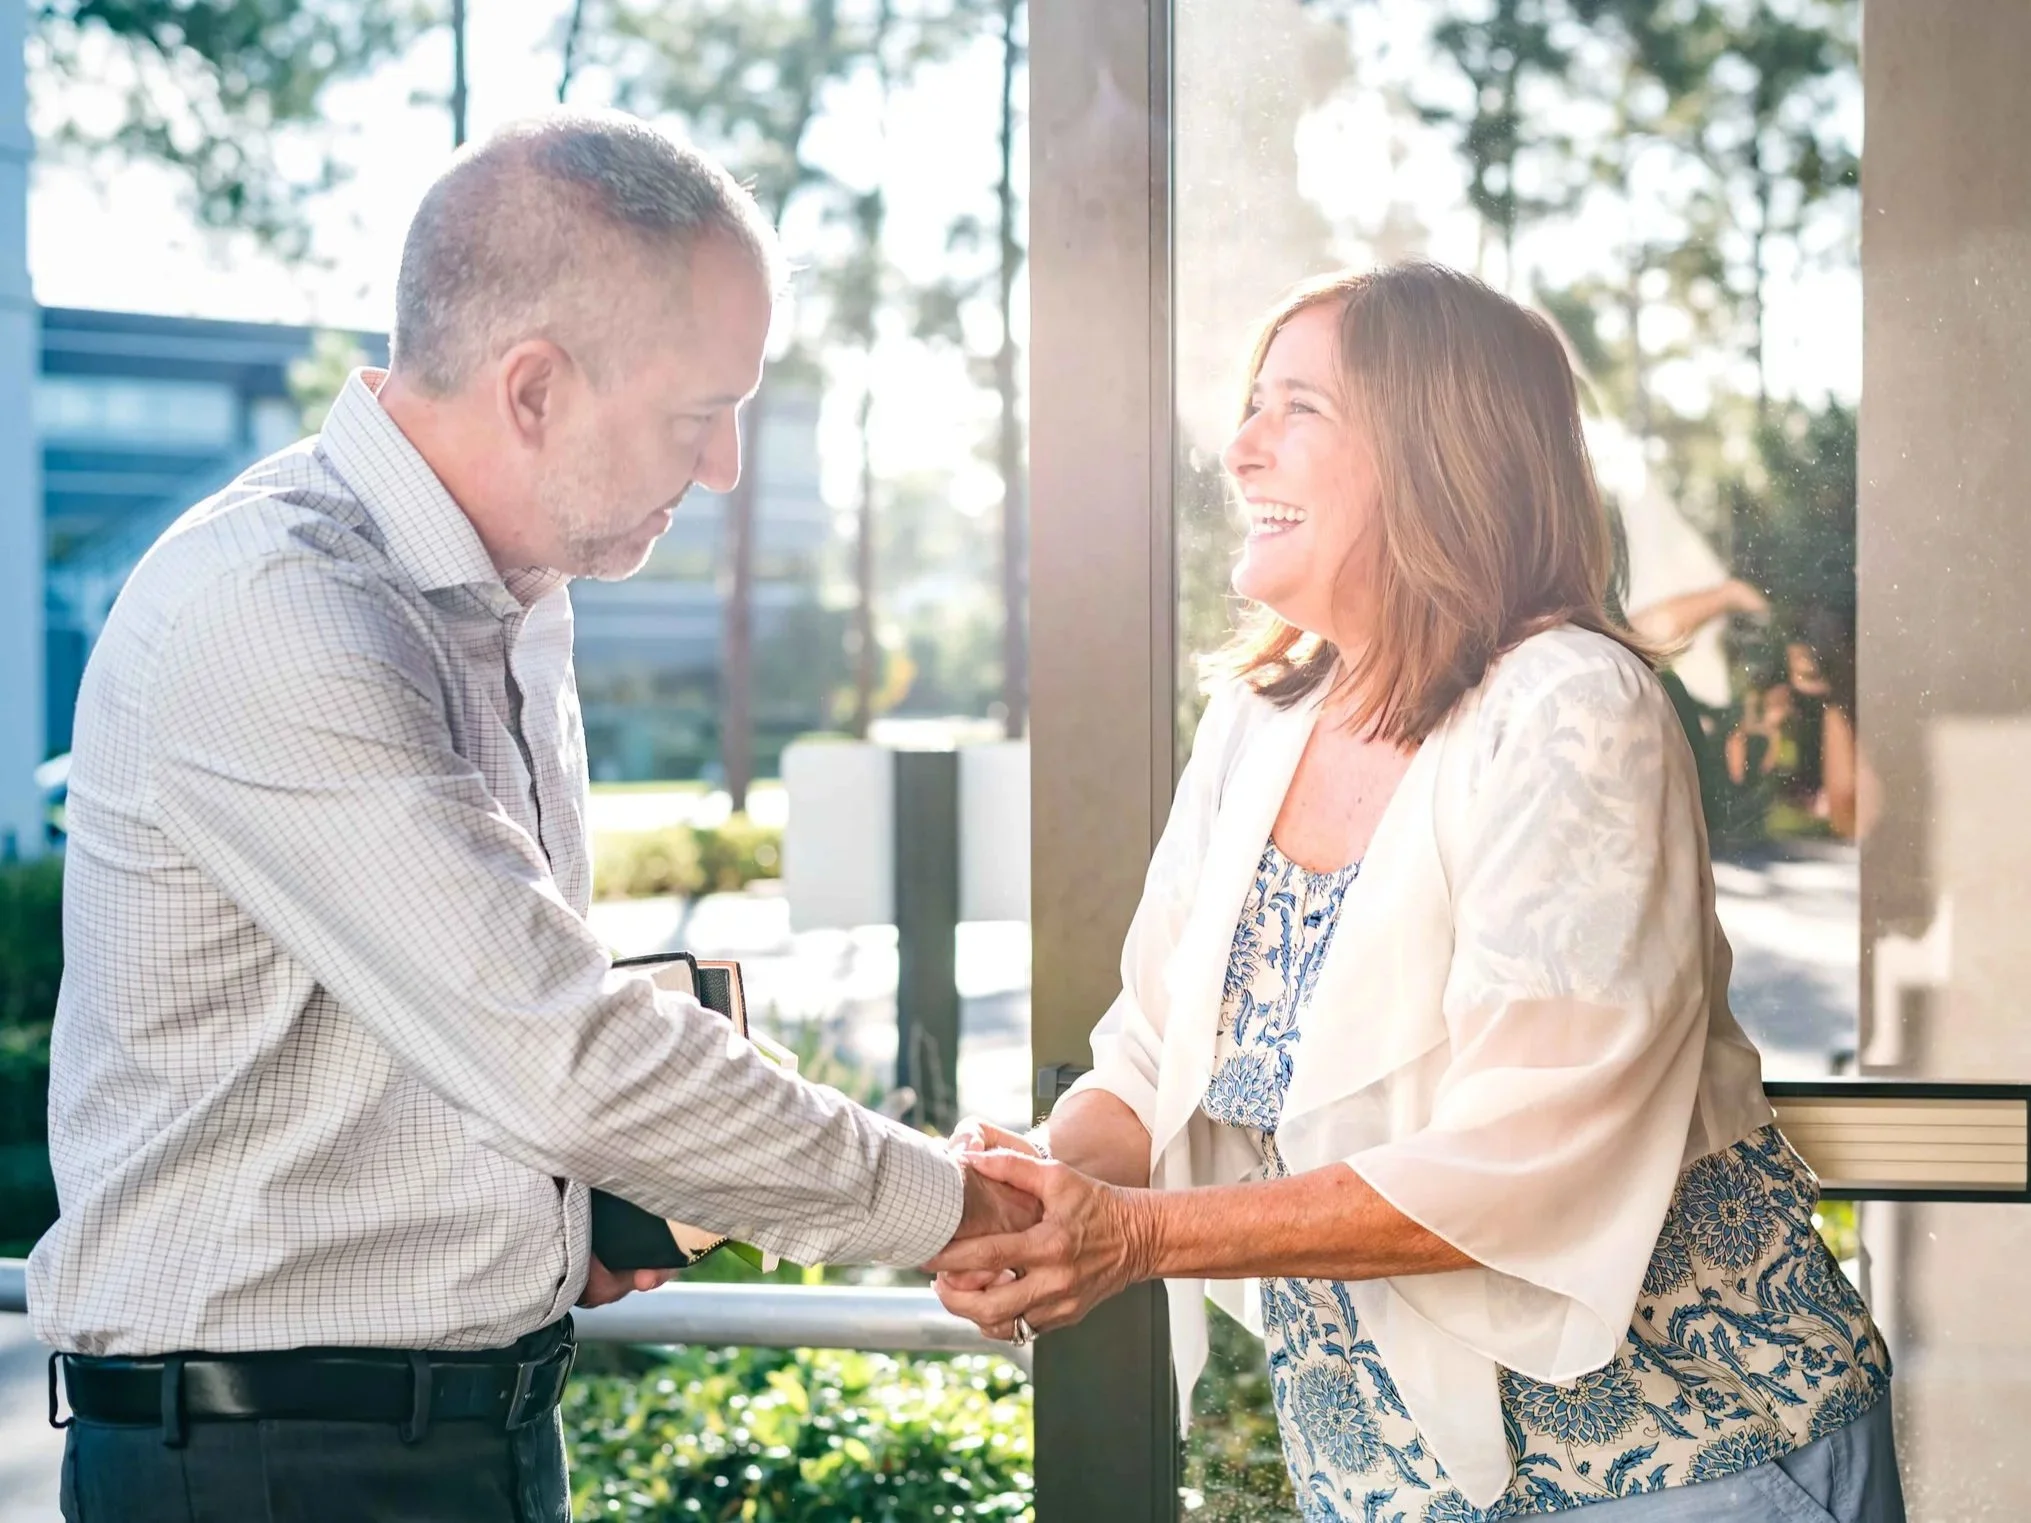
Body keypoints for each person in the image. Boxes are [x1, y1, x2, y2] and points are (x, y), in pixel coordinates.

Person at [31, 111, 1037, 1523]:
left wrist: (554, 1213)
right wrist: (963, 1202)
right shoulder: (276, 608)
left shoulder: (512, 606)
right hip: (269, 1464)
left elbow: (473, 1034)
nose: (726, 467)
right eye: (700, 413)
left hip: (463, 1430)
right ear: (534, 389)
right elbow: (560, 1045)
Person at [933, 264, 1901, 1521]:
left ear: (1440, 451)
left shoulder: (1570, 706)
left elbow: (1524, 1154)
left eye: (1298, 408)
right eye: (1249, 405)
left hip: (1689, 1461)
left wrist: (1136, 1233)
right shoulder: (1259, 716)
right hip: (1387, 1480)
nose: (1239, 448)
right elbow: (1150, 1049)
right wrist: (1021, 1191)